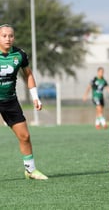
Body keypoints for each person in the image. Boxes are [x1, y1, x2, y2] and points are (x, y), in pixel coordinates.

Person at [0, 24, 48, 180]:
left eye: (11, 36)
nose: (8, 39)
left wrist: (35, 96)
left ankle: (30, 170)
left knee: (25, 136)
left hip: (10, 101)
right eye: (4, 36)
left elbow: (28, 75)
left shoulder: (20, 55)